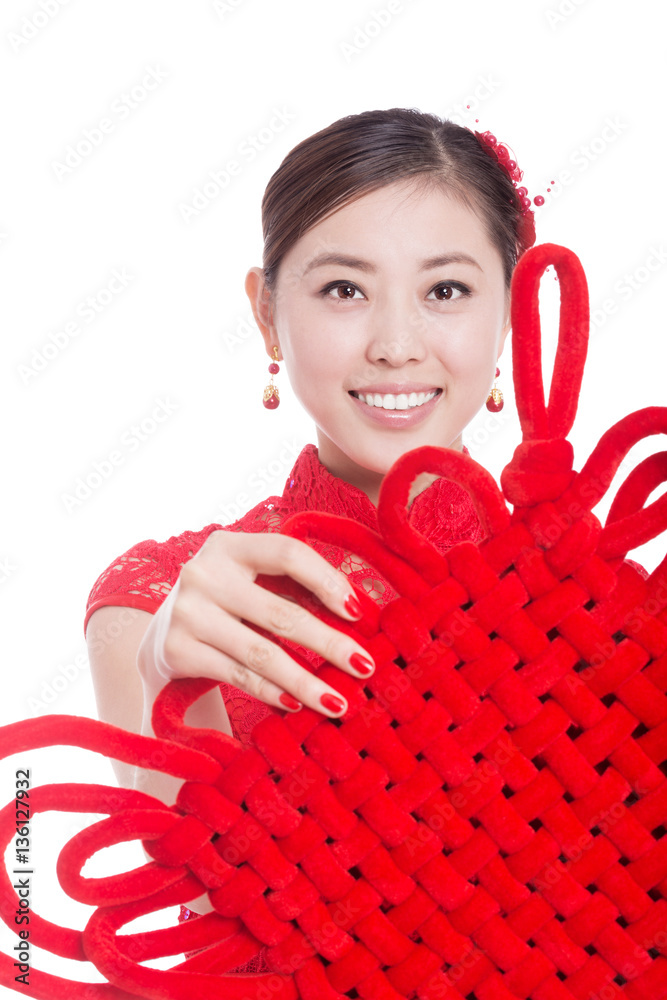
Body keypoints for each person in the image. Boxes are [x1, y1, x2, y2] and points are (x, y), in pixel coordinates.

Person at [83, 107, 533, 954]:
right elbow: (210, 897)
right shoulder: (167, 601)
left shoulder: (599, 602)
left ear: (509, 309)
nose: (396, 345)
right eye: (342, 290)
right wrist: (162, 668)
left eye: (445, 290)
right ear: (265, 315)